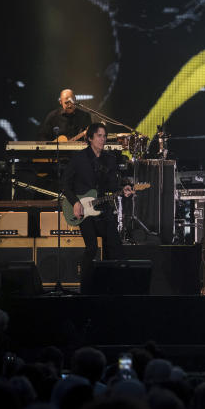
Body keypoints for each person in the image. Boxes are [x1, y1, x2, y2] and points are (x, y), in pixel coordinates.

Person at [62, 122, 134, 291]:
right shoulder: (79, 159)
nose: (102, 139)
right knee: (92, 247)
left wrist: (121, 189)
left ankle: (120, 286)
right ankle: (85, 286)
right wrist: (75, 203)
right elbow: (65, 183)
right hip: (83, 210)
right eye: (99, 136)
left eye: (104, 136)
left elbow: (112, 186)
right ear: (90, 138)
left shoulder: (109, 159)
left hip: (102, 208)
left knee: (115, 245)